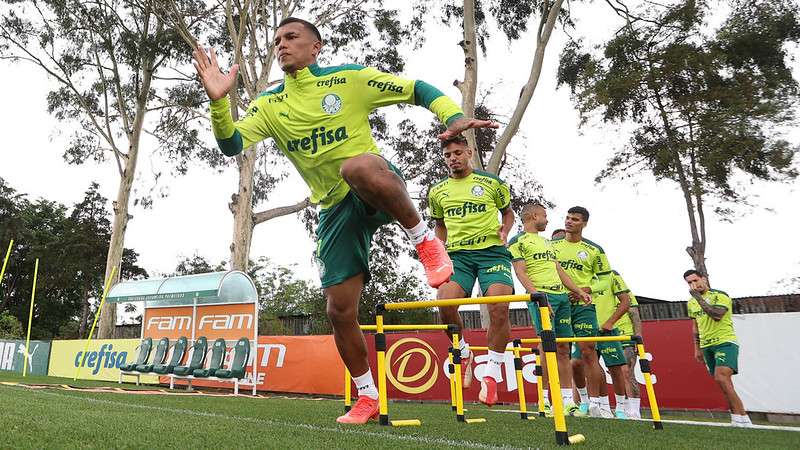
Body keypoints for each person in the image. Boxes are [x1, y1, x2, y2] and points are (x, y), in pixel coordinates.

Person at [192, 17, 498, 424]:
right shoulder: (269, 104)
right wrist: (217, 102)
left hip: (374, 184)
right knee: (339, 310)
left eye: (291, 37)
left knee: (355, 168)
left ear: (316, 47)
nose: (281, 45)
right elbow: (231, 144)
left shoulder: (348, 79)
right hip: (334, 210)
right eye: (277, 40)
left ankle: (424, 240)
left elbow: (416, 89)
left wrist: (449, 115)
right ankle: (368, 395)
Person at [428, 135, 514, 406]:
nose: (452, 158)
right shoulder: (437, 191)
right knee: (445, 304)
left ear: (469, 152)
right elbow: (440, 224)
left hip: (492, 255)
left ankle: (491, 376)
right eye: (447, 155)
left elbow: (508, 212)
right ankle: (463, 350)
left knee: (499, 307)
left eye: (457, 152)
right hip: (459, 257)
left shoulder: (492, 183)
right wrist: (437, 251)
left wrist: (505, 229)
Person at [508, 203, 591, 416]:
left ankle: (565, 401)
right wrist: (537, 296)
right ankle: (544, 399)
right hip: (542, 297)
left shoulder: (547, 241)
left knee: (563, 349)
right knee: (547, 346)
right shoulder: (518, 240)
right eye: (544, 216)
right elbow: (520, 272)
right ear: (534, 216)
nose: (547, 219)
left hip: (562, 298)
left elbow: (558, 269)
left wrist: (578, 291)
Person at [550, 206, 614, 418]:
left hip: (585, 306)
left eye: (575, 219)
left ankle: (596, 404)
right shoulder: (552, 246)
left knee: (588, 352)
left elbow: (606, 279)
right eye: (567, 218)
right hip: (561, 304)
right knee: (562, 351)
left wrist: (587, 289)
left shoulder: (594, 249)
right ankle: (571, 401)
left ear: (584, 223)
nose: (569, 222)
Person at [684, 270, 752, 427]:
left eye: (695, 280)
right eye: (689, 283)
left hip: (725, 342)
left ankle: (744, 416)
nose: (693, 284)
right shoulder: (691, 303)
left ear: (704, 278)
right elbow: (695, 326)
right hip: (707, 345)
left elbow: (716, 315)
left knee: (721, 376)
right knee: (723, 383)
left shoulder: (719, 295)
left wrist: (698, 298)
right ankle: (736, 418)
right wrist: (697, 347)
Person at [593, 274, 632, 419]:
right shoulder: (581, 276)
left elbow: (626, 301)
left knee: (615, 369)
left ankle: (621, 407)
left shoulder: (611, 275)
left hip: (607, 331)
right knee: (592, 367)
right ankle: (603, 406)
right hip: (587, 329)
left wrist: (610, 322)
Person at [611, 270, 643, 419]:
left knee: (627, 372)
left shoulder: (626, 294)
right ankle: (621, 407)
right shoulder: (600, 294)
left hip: (627, 337)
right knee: (615, 373)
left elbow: (635, 315)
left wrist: (638, 338)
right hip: (610, 337)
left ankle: (634, 410)